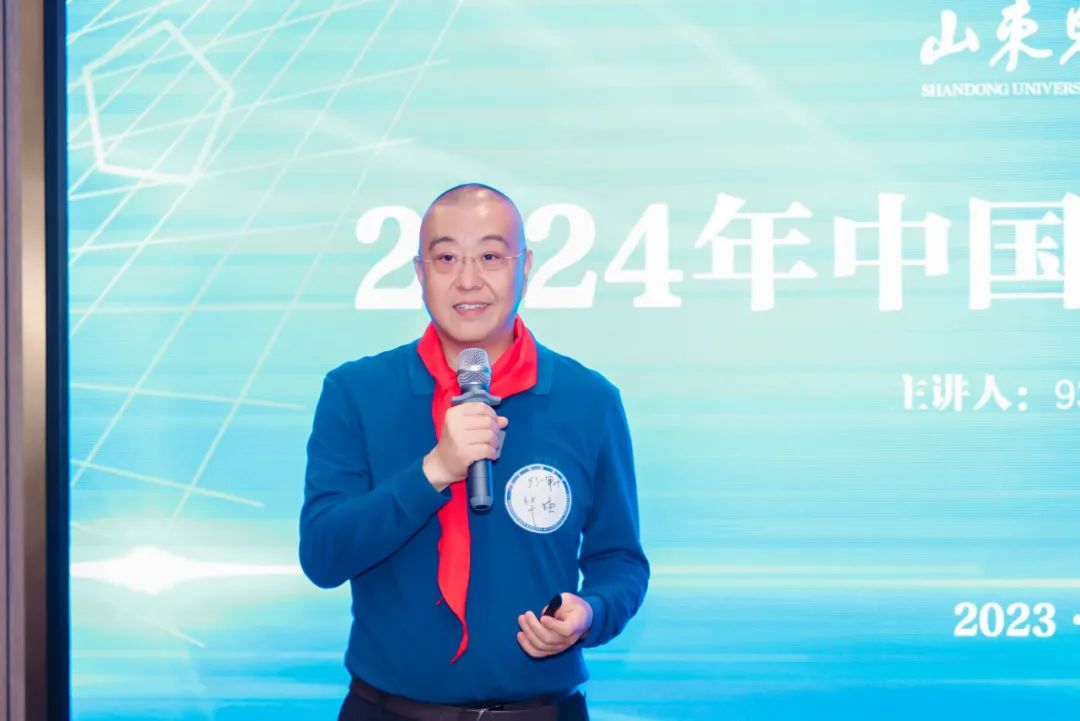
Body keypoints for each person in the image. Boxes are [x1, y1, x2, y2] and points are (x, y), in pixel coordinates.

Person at [300, 183, 649, 721]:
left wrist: (591, 612)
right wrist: (434, 471)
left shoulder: (588, 401)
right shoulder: (356, 392)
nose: (467, 280)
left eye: (490, 256)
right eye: (446, 258)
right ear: (419, 273)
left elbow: (620, 560)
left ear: (525, 267)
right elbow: (323, 557)